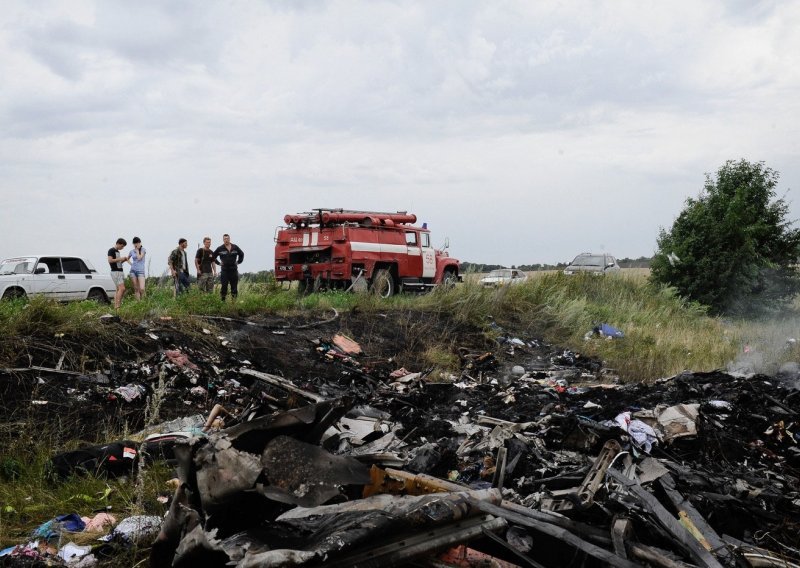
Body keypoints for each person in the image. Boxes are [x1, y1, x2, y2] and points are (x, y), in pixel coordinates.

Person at [213, 233, 244, 301]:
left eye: (227, 239)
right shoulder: (220, 248)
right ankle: (223, 302)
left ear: (229, 239)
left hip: (233, 270)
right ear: (223, 240)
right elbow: (213, 256)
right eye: (225, 239)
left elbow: (242, 254)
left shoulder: (235, 247)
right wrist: (218, 263)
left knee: (234, 287)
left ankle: (234, 303)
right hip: (224, 271)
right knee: (224, 286)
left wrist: (238, 262)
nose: (226, 240)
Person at [107, 238, 129, 309]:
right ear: (118, 243)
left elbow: (117, 263)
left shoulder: (117, 252)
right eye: (122, 246)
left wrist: (123, 260)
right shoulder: (111, 250)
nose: (122, 248)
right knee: (122, 288)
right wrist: (120, 259)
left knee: (118, 289)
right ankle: (117, 306)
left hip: (119, 271)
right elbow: (110, 260)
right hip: (115, 272)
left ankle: (116, 307)